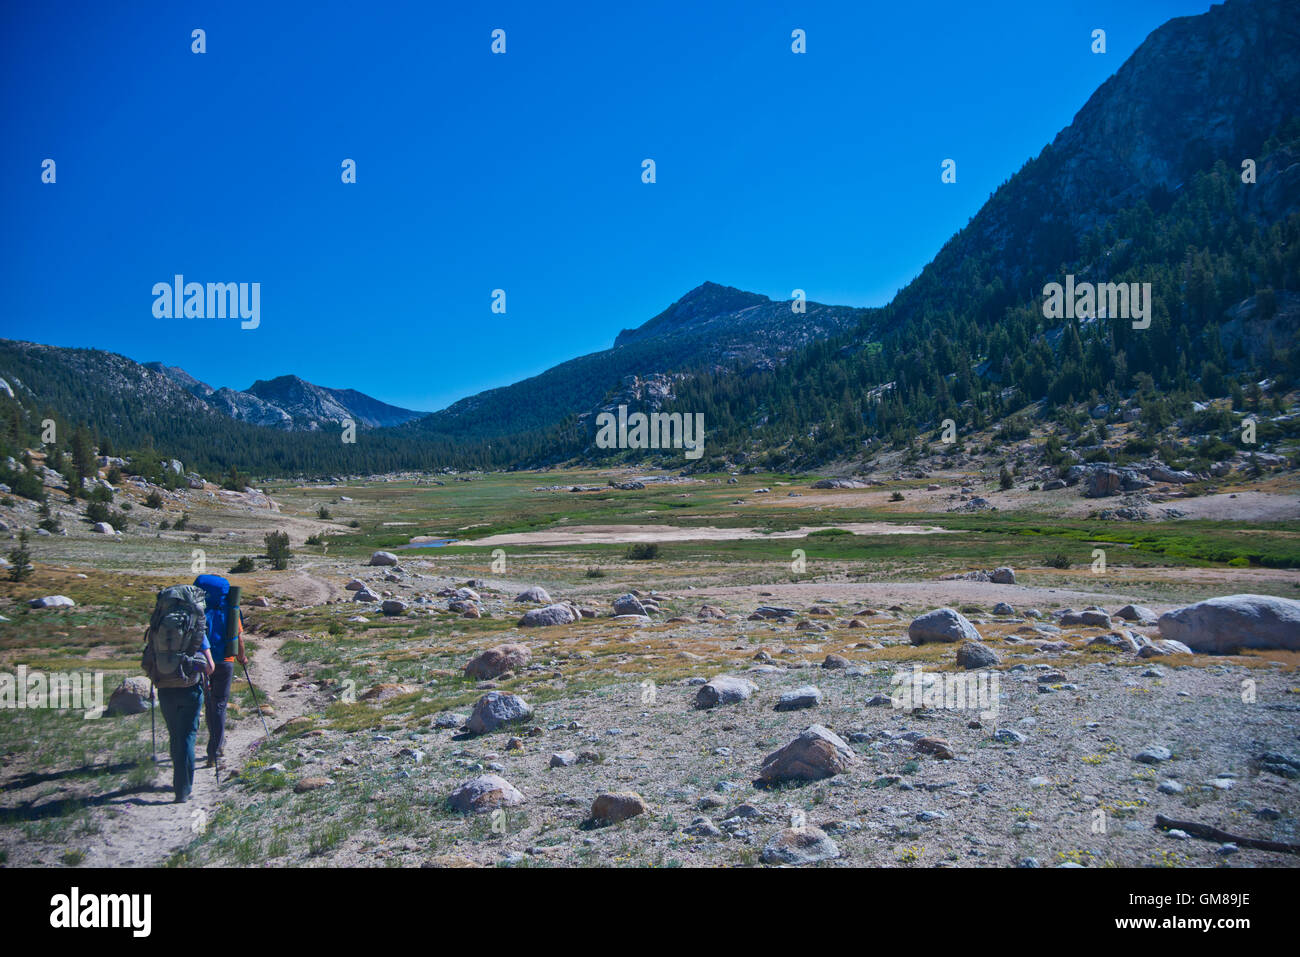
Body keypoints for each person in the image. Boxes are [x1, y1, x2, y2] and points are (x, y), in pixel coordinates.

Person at [157, 636, 214, 803]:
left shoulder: (160, 625)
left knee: (174, 734)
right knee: (187, 736)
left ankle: (178, 782)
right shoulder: (196, 629)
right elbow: (210, 667)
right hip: (190, 689)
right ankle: (183, 788)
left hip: (165, 689)